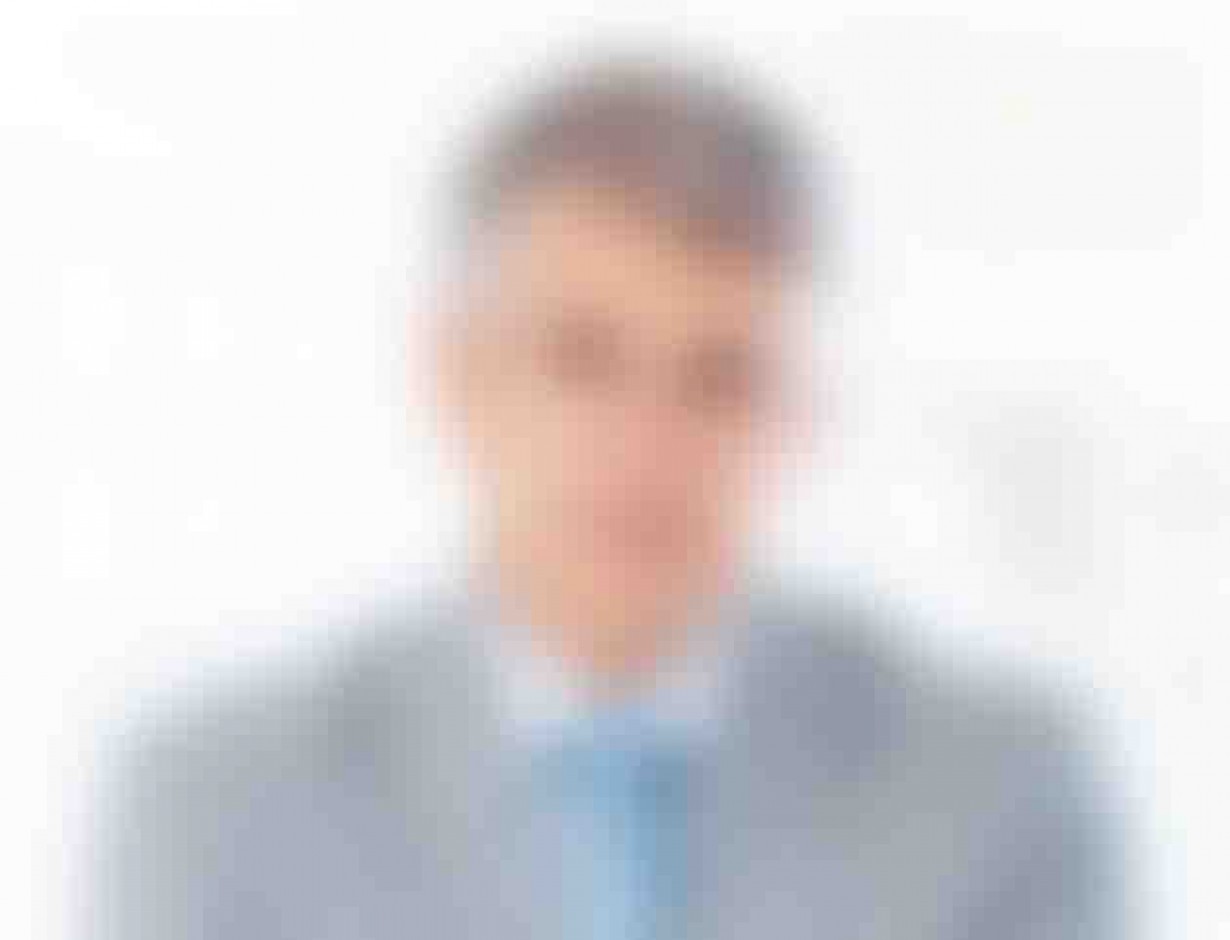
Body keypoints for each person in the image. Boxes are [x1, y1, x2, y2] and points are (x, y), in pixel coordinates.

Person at [94, 57, 1123, 940]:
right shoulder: (224, 798)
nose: (649, 444)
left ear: (795, 411)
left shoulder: (990, 790)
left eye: (721, 377)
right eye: (583, 360)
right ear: (458, 374)